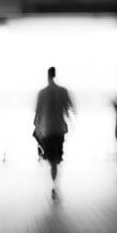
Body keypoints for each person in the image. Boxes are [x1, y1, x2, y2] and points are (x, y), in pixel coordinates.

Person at [34, 67, 74, 201]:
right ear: (55, 75)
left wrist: (37, 129)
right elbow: (69, 109)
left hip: (47, 130)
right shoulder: (63, 91)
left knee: (52, 161)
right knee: (56, 160)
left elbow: (38, 114)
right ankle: (55, 185)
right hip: (59, 129)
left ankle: (54, 184)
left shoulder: (42, 93)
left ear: (48, 76)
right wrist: (70, 124)